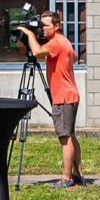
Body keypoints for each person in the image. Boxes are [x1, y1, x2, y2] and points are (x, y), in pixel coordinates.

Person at [16, 11, 83, 187]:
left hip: (63, 97)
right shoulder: (64, 42)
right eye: (41, 26)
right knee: (71, 135)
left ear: (57, 26)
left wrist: (29, 33)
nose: (42, 29)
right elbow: (74, 57)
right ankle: (78, 174)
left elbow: (37, 51)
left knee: (65, 137)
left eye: (46, 26)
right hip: (71, 94)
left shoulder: (55, 43)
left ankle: (67, 178)